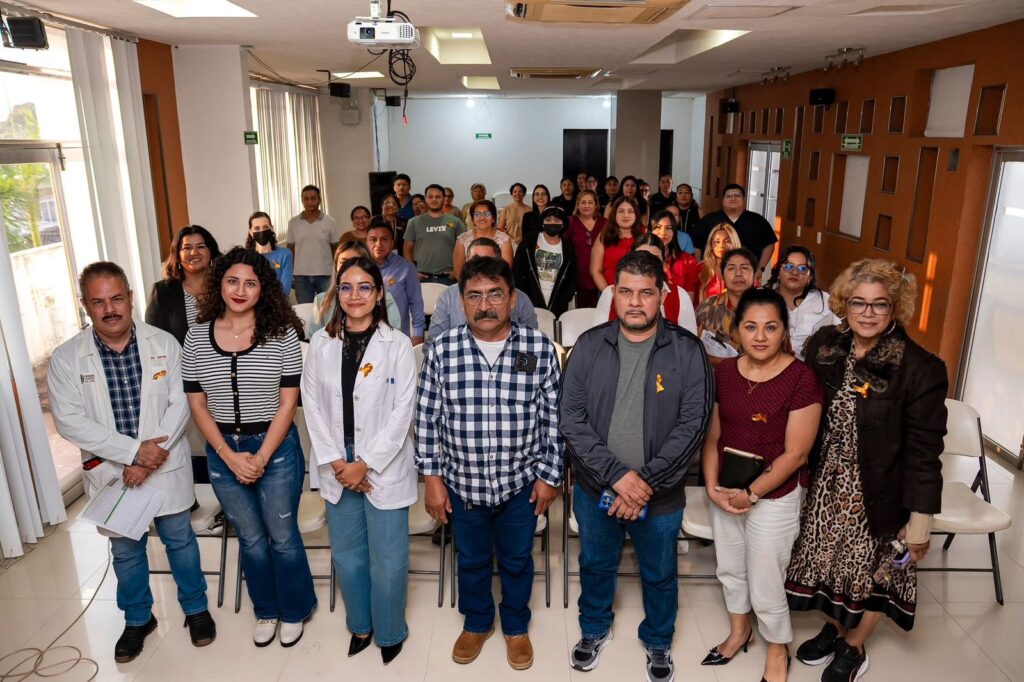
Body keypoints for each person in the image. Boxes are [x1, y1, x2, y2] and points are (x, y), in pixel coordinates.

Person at [786, 260, 947, 682]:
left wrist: (920, 520)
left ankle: (854, 646)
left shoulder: (920, 367)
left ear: (896, 307)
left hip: (879, 489)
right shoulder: (825, 345)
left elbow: (925, 452)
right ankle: (837, 628)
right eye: (858, 302)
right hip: (825, 483)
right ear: (844, 303)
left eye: (880, 304)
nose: (868, 313)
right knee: (828, 565)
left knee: (872, 574)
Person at [49, 261, 216, 663]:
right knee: (126, 551)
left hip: (163, 465)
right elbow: (70, 420)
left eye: (117, 298)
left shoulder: (165, 344)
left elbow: (181, 404)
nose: (110, 309)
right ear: (85, 305)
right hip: (114, 472)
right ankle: (139, 619)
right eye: (98, 302)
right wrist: (131, 454)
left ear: (130, 297)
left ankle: (196, 609)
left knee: (180, 541)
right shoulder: (67, 358)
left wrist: (146, 459)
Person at [561, 250, 713, 682]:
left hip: (659, 493)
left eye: (646, 293)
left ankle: (658, 639)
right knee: (595, 564)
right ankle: (594, 628)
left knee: (660, 571)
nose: (634, 302)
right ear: (613, 294)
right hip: (597, 487)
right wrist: (617, 477)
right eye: (626, 292)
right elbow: (570, 419)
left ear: (662, 295)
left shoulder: (688, 350)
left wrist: (642, 483)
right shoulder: (589, 345)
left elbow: (694, 425)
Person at [416, 257, 563, 671]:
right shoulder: (442, 350)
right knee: (472, 559)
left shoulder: (538, 349)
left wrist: (549, 477)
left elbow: (554, 419)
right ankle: (477, 622)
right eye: (474, 296)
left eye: (495, 294)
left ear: (512, 300)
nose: (485, 305)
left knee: (517, 559)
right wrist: (432, 480)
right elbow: (426, 418)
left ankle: (515, 625)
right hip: (463, 482)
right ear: (461, 302)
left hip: (521, 483)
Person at [182, 247, 316, 648]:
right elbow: (197, 404)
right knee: (251, 537)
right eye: (232, 281)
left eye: (251, 283)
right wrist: (228, 455)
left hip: (275, 447)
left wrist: (260, 457)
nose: (240, 291)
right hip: (223, 448)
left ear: (263, 289)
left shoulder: (282, 334)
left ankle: (295, 608)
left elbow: (288, 403)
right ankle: (267, 609)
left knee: (282, 535)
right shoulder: (196, 336)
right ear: (219, 284)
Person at [700, 288, 823, 682]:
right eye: (751, 327)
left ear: (784, 330)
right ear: (737, 330)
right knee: (729, 568)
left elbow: (797, 454)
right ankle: (739, 632)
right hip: (726, 489)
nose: (760, 336)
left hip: (774, 495)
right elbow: (713, 436)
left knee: (766, 577)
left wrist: (752, 493)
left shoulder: (801, 379)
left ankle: (777, 648)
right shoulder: (724, 373)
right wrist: (711, 486)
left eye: (770, 327)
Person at [302, 255, 416, 665]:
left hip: (380, 463)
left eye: (364, 287)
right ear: (336, 294)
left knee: (388, 559)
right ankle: (360, 625)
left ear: (379, 293)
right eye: (346, 287)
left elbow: (403, 412)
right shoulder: (321, 343)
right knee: (348, 556)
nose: (354, 296)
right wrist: (339, 464)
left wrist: (364, 463)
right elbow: (312, 405)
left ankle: (390, 630)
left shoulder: (397, 345)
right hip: (338, 462)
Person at [428, 237, 538, 339]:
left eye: (487, 262)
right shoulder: (448, 297)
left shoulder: (521, 299)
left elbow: (531, 340)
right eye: (475, 261)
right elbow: (434, 340)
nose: (481, 267)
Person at [593, 234, 698, 335]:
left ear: (664, 263)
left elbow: (688, 341)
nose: (647, 264)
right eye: (640, 257)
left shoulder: (680, 295)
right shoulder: (609, 294)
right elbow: (597, 337)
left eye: (655, 259)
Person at [146, 225, 222, 345]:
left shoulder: (225, 286)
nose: (194, 252)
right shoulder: (162, 292)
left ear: (211, 252)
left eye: (201, 246)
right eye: (187, 248)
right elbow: (153, 338)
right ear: (177, 254)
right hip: (179, 357)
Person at [311, 239, 403, 336]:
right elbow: (314, 339)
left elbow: (394, 337)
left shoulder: (386, 299)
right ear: (335, 268)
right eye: (344, 262)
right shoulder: (321, 300)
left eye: (357, 262)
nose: (350, 268)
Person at [767, 246, 838, 360]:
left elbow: (840, 333)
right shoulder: (762, 298)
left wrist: (820, 339)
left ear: (809, 277)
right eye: (788, 267)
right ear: (778, 273)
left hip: (810, 364)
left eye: (802, 269)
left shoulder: (825, 301)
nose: (794, 272)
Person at [692, 183, 777, 278]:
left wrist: (760, 270)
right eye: (729, 196)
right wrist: (701, 268)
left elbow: (770, 244)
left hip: (748, 276)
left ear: (744, 200)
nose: (733, 198)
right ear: (723, 201)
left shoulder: (757, 220)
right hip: (713, 275)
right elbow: (696, 245)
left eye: (737, 195)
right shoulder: (709, 220)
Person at [513, 205, 579, 317]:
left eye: (557, 220)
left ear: (563, 224)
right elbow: (517, 271)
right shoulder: (529, 241)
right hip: (529, 302)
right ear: (542, 222)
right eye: (548, 219)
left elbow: (573, 276)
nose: (552, 223)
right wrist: (525, 296)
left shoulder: (568, 247)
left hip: (558, 305)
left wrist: (564, 298)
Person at [368, 220, 425, 344]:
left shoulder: (406, 267)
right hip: (367, 337)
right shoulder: (360, 269)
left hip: (398, 336)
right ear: (366, 242)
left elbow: (416, 302)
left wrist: (418, 333)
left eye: (384, 239)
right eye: (373, 239)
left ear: (392, 243)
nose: (378, 244)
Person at [696, 247, 757, 363]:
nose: (738, 273)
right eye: (731, 268)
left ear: (754, 273)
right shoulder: (707, 307)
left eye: (744, 268)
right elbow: (692, 349)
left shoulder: (767, 309)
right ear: (722, 275)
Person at [286, 184, 341, 303]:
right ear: (302, 201)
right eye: (306, 199)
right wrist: (290, 274)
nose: (309, 202)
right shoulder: (293, 223)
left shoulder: (330, 222)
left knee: (328, 308)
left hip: (326, 275)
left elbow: (336, 249)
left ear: (319, 200)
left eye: (313, 198)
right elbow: (290, 249)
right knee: (305, 309)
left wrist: (336, 272)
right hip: (301, 277)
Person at [403, 184, 468, 284]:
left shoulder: (455, 222)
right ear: (425, 199)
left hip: (449, 278)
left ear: (443, 199)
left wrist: (458, 271)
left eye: (438, 197)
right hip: (422, 278)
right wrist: (413, 271)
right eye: (430, 197)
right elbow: (407, 249)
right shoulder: (414, 222)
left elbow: (466, 248)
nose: (434, 199)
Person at [591, 196, 644, 292]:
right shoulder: (604, 236)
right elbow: (595, 271)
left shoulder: (645, 235)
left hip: (639, 293)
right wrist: (610, 294)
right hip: (610, 291)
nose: (626, 215)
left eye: (630, 211)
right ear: (614, 214)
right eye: (621, 211)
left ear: (636, 214)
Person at [453, 198, 514, 279]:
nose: (482, 218)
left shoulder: (504, 240)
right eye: (477, 214)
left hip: (496, 283)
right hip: (469, 284)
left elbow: (506, 270)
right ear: (473, 219)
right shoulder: (462, 240)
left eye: (487, 214)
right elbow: (458, 272)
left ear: (493, 219)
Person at [566, 189, 607, 308]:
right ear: (578, 205)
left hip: (600, 277)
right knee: (579, 314)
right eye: (583, 202)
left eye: (590, 202)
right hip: (577, 278)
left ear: (596, 205)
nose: (586, 206)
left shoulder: (605, 223)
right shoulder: (570, 222)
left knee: (599, 314)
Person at [650, 210, 699, 302]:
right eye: (658, 227)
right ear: (650, 230)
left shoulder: (688, 260)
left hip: (678, 307)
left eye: (668, 228)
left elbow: (690, 294)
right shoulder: (641, 257)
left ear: (674, 232)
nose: (663, 232)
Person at [246, 211, 293, 295]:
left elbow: (285, 291)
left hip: (278, 302)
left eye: (265, 227)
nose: (262, 231)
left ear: (271, 228)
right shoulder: (246, 257)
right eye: (257, 228)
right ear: (250, 232)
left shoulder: (285, 254)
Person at [698, 223, 742, 302]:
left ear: (734, 242)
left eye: (727, 241)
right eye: (717, 242)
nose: (721, 246)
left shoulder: (745, 269)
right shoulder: (700, 268)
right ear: (711, 245)